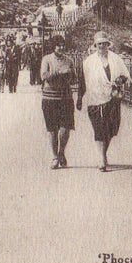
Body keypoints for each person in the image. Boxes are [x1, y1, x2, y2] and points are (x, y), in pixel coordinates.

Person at [76, 31, 132, 171]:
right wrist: (79, 97)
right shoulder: (88, 62)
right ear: (95, 45)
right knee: (99, 128)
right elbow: (83, 81)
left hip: (113, 98)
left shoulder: (116, 59)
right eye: (99, 44)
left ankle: (103, 153)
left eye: (104, 44)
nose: (102, 46)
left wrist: (120, 80)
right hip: (95, 98)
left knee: (112, 128)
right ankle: (101, 158)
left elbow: (125, 75)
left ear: (108, 45)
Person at [41, 35, 76, 168]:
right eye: (58, 45)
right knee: (52, 129)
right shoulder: (47, 59)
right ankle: (54, 156)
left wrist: (71, 74)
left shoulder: (69, 60)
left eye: (63, 45)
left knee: (65, 129)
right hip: (50, 98)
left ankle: (61, 152)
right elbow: (44, 76)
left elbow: (74, 79)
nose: (61, 47)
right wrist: (60, 73)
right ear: (53, 46)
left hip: (65, 98)